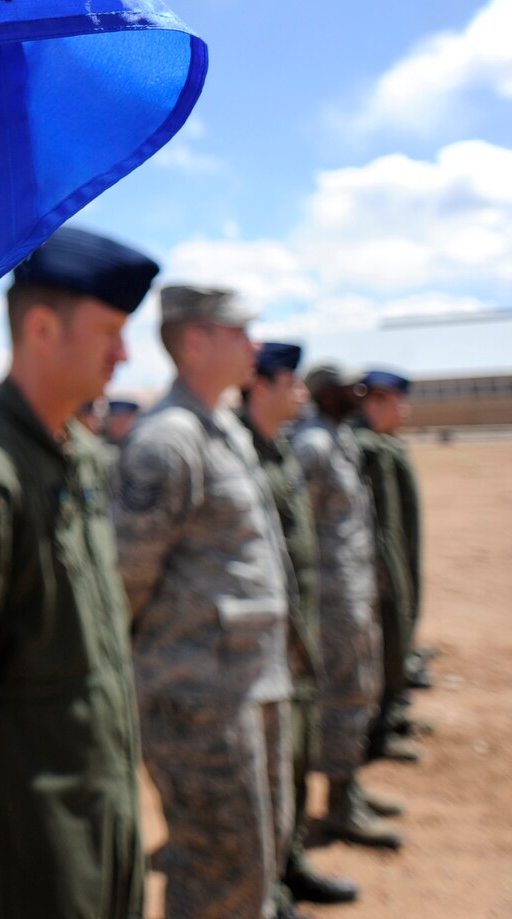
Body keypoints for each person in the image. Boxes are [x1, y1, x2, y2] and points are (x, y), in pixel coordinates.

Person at [0, 226, 159, 919]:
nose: (125, 351)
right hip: (32, 792)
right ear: (42, 328)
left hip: (98, 777)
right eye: (110, 329)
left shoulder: (70, 452)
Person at [114, 285, 292, 919]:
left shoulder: (222, 428)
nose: (257, 345)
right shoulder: (167, 441)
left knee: (258, 862)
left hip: (249, 681)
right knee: (219, 872)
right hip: (198, 697)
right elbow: (125, 578)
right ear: (195, 342)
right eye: (241, 331)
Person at [243, 344, 359, 911]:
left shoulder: (278, 453)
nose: (302, 395)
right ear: (260, 386)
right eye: (291, 382)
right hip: (258, 652)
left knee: (293, 760)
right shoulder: (241, 453)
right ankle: (269, 882)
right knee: (264, 777)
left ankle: (287, 866)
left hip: (298, 637)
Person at [294, 364, 403, 853]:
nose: (358, 393)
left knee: (361, 691)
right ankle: (340, 805)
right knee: (340, 696)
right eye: (347, 387)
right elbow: (300, 527)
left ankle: (350, 787)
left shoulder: (337, 437)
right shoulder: (313, 445)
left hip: (355, 589)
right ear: (325, 394)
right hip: (332, 599)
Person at [354, 370, 424, 763]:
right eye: (397, 400)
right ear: (375, 401)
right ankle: (378, 727)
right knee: (383, 645)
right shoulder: (368, 448)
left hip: (395, 561)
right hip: (375, 571)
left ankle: (392, 715)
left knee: (398, 637)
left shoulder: (383, 445)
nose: (405, 409)